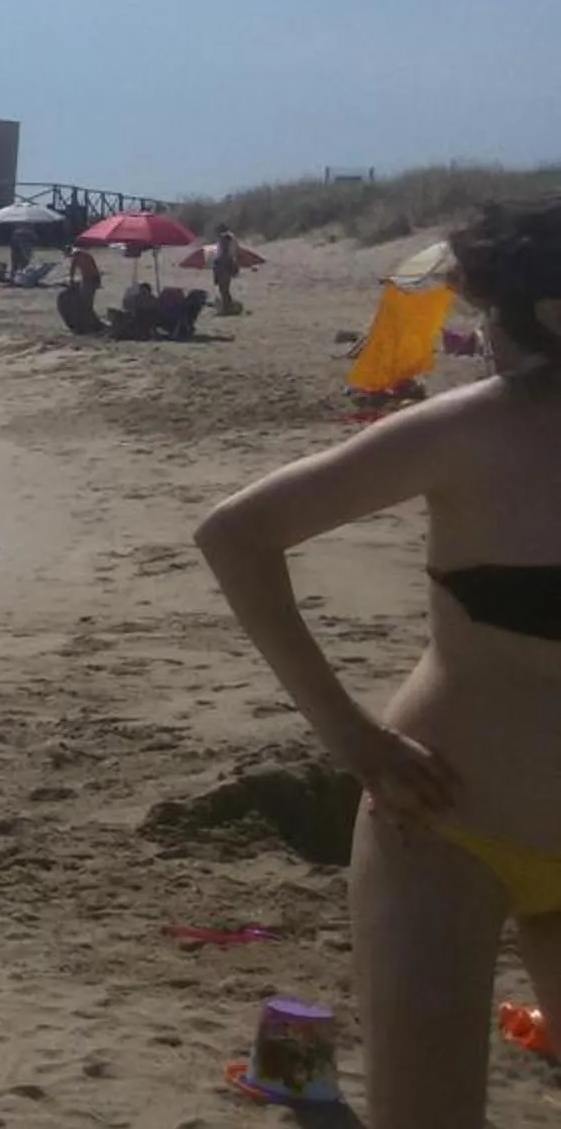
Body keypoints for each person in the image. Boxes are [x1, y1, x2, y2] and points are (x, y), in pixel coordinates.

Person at [194, 198, 561, 1128]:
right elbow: (238, 534)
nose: (475, 333)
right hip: (446, 831)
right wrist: (353, 740)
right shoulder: (469, 430)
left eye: (486, 312)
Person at [212, 226, 245, 315]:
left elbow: (223, 254)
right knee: (224, 288)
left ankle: (227, 308)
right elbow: (236, 251)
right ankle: (228, 306)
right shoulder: (232, 238)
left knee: (223, 288)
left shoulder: (225, 238)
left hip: (223, 264)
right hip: (228, 263)